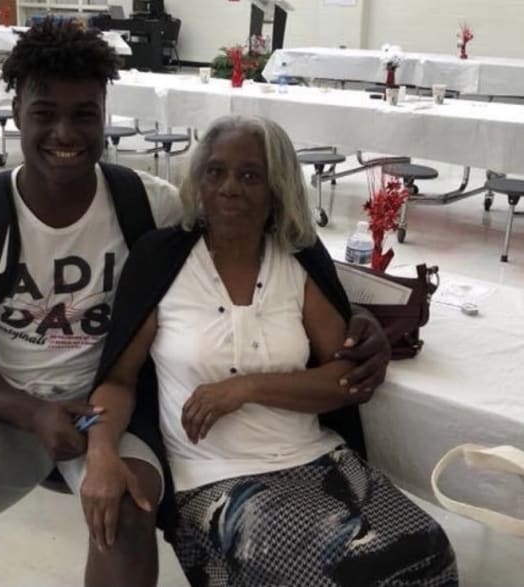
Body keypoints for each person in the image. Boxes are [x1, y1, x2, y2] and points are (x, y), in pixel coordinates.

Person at [0, 20, 390, 587]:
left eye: (84, 113)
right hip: (11, 403)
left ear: (104, 112)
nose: (64, 131)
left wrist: (360, 314)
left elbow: (259, 243)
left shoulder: (149, 205)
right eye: (44, 113)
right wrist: (34, 413)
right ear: (15, 112)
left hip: (115, 407)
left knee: (123, 518)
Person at [82, 116, 458, 586]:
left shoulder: (298, 258)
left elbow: (344, 380)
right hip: (213, 475)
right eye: (215, 172)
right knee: (345, 573)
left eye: (249, 175)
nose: (229, 188)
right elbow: (117, 380)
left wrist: (247, 387)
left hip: (317, 456)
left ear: (277, 187)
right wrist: (99, 453)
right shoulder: (162, 259)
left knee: (430, 553)